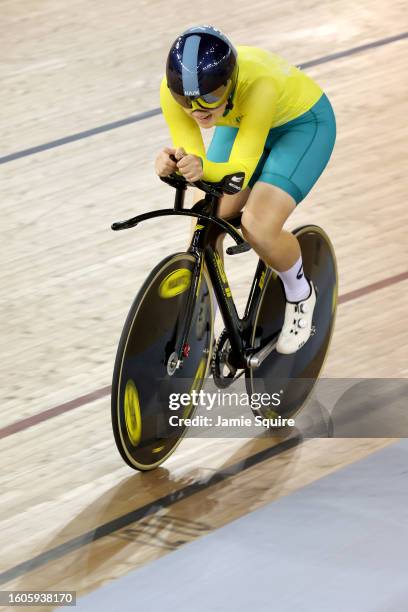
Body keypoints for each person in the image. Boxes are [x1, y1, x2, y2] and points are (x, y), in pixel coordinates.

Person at [155, 25, 336, 354]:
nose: (198, 110)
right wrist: (174, 164)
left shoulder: (259, 85)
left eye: (210, 96)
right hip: (240, 121)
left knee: (258, 226)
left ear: (231, 81)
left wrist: (199, 167)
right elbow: (192, 157)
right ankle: (201, 313)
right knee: (204, 222)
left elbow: (240, 168)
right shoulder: (172, 93)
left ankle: (300, 293)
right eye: (187, 100)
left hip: (300, 127)